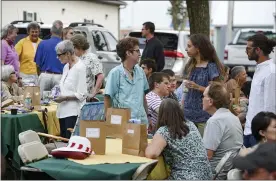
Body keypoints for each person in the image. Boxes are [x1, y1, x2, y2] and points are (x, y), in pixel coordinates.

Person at [145, 99, 213, 180]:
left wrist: (147, 146)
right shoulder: (190, 124)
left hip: (186, 177)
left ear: (161, 114)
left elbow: (151, 154)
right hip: (206, 175)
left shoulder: (164, 131)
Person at [183, 33, 224, 136]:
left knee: (203, 145)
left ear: (198, 48)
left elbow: (218, 90)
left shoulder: (211, 67)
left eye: (189, 46)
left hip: (204, 115)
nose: (186, 49)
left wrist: (198, 87)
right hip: (187, 114)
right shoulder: (190, 65)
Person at [202, 82, 243, 180]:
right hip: (230, 170)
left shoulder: (215, 121)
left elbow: (207, 155)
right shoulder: (233, 117)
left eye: (203, 96)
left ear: (210, 101)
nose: (202, 99)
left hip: (216, 174)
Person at [104, 37, 149, 125]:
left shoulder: (140, 71)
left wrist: (147, 117)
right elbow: (107, 98)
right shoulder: (115, 73)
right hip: (123, 122)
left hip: (141, 121)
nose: (140, 54)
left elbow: (143, 97)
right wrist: (109, 122)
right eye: (137, 51)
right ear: (128, 53)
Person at [243, 33, 276, 148]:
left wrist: (265, 135)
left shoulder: (271, 72)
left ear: (258, 50)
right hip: (248, 130)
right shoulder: (260, 68)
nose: (246, 51)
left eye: (248, 48)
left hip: (259, 135)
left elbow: (270, 107)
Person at [54, 40, 87, 139]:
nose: (58, 58)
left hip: (73, 113)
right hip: (62, 111)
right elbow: (64, 86)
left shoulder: (80, 67)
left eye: (59, 55)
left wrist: (65, 98)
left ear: (68, 53)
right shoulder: (66, 67)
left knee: (70, 143)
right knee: (64, 141)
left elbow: (82, 94)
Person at [35, 20, 64, 96]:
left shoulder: (42, 43)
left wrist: (40, 75)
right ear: (62, 32)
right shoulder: (65, 45)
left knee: (41, 101)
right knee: (58, 103)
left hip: (45, 75)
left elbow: (37, 65)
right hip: (59, 76)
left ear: (51, 31)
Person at [70, 34, 104, 99]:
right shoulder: (76, 58)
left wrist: (93, 93)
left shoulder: (91, 57)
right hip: (75, 96)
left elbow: (100, 76)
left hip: (85, 97)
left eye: (74, 48)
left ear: (79, 47)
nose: (72, 51)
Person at [15, 22, 41, 86]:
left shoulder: (42, 42)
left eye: (36, 32)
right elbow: (14, 57)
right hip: (25, 75)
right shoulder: (22, 42)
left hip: (39, 75)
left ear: (39, 32)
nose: (34, 34)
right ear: (28, 32)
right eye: (32, 32)